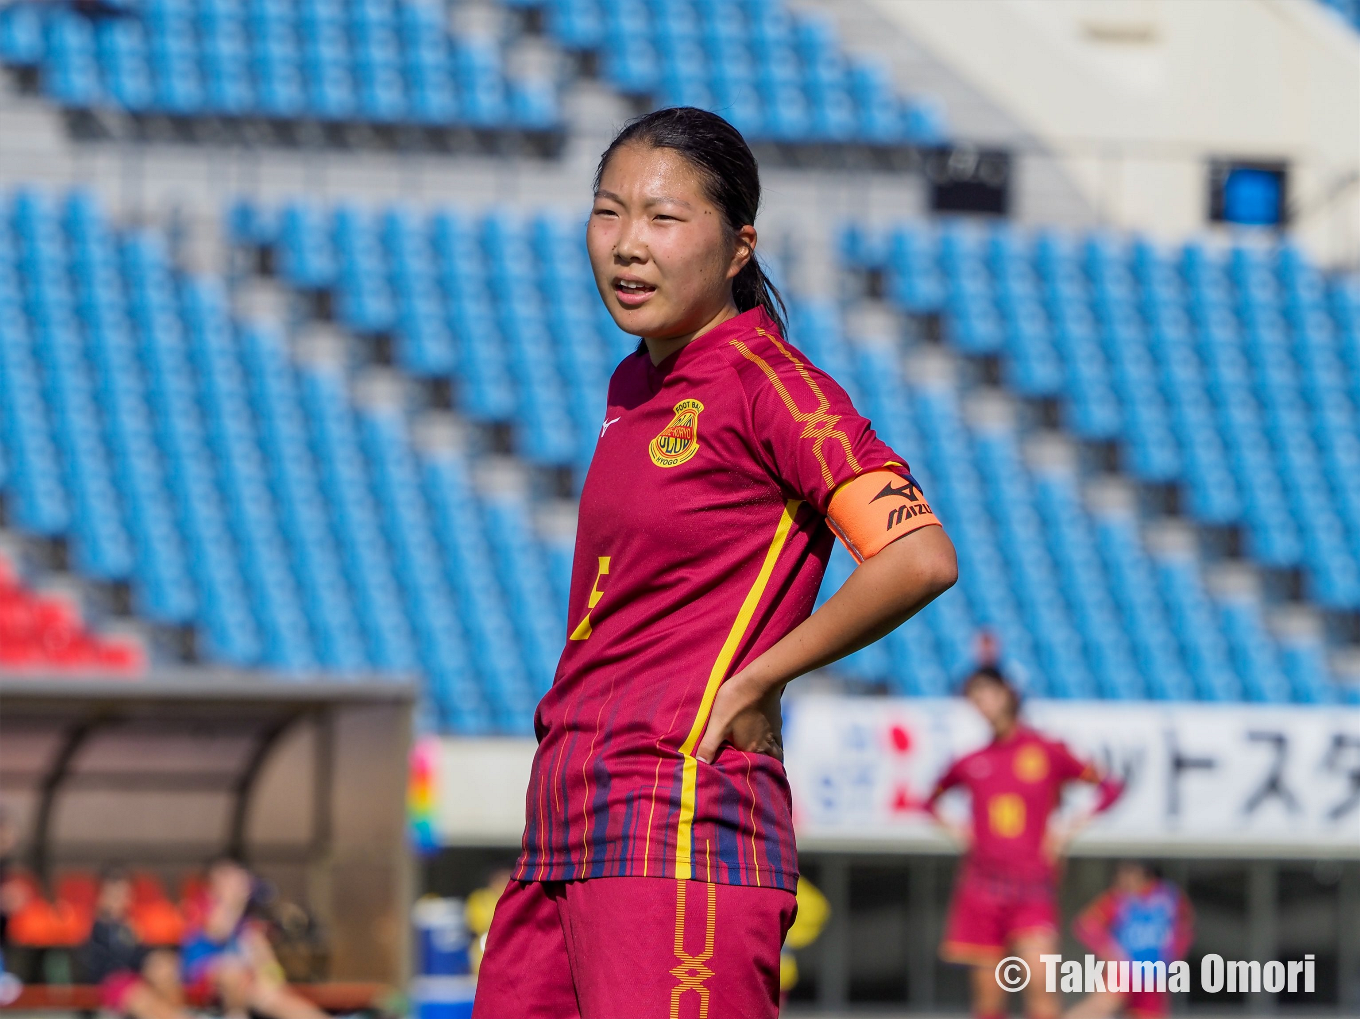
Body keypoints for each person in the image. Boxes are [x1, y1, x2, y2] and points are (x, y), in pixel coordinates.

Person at [472, 106, 958, 1019]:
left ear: (740, 247)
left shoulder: (770, 386)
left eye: (663, 218)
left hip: (679, 818)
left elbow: (920, 556)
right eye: (608, 211)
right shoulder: (633, 385)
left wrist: (758, 679)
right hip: (566, 823)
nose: (626, 245)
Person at [926, 666, 1124, 1019]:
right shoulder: (972, 761)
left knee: (1041, 987)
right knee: (988, 999)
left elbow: (1108, 787)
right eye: (974, 697)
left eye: (986, 692)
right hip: (981, 887)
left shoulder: (1047, 751)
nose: (981, 703)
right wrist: (959, 831)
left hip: (1032, 887)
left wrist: (1068, 829)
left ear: (1008, 693)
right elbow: (929, 800)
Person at [180, 859, 327, 1019]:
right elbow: (218, 932)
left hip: (244, 984)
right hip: (202, 976)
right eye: (230, 878)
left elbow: (269, 966)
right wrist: (233, 899)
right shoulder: (202, 904)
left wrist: (271, 978)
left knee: (271, 994)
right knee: (230, 970)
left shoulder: (247, 924)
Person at [1065, 862, 1193, 1019]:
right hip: (1124, 971)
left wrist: (1173, 955)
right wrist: (1110, 952)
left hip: (1153, 975)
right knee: (1099, 1008)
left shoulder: (1169, 895)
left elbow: (1186, 926)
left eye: (1126, 873)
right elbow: (1085, 925)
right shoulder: (1117, 898)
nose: (1121, 879)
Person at [75, 869, 190, 1019]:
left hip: (135, 980)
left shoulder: (129, 927)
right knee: (148, 1003)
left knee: (165, 969)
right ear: (101, 897)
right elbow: (100, 966)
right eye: (113, 895)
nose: (119, 900)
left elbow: (140, 956)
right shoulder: (95, 928)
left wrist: (156, 960)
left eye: (124, 895)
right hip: (111, 985)